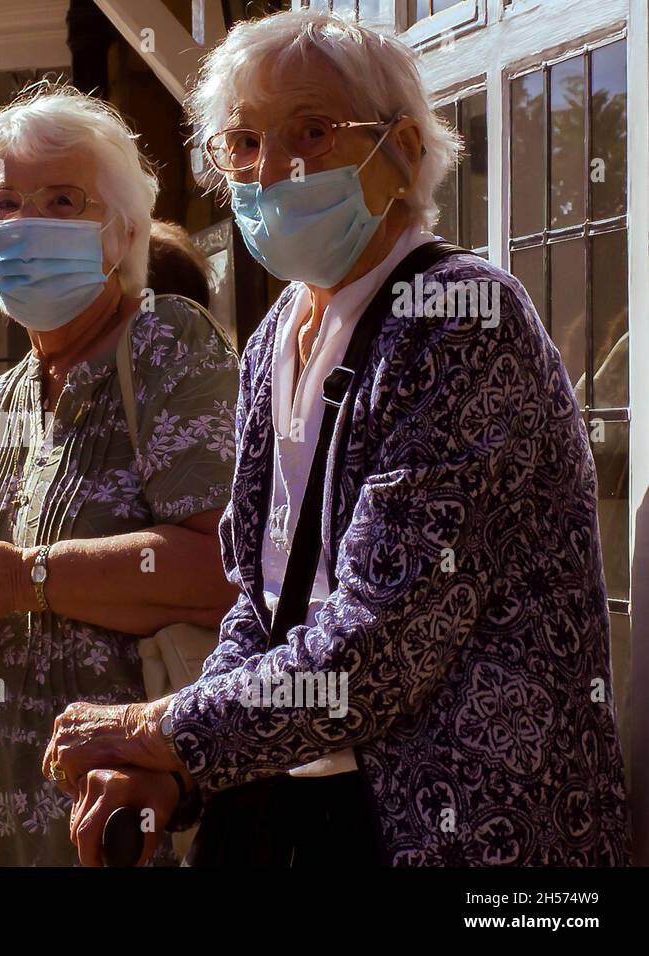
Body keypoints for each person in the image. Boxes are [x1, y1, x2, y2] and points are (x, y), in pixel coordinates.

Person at [42, 9, 630, 867]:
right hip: (292, 801)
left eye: (311, 132)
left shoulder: (461, 320)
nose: (271, 170)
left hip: (459, 832)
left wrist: (163, 727)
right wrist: (185, 773)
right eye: (240, 142)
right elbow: (260, 600)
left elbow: (381, 643)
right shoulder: (283, 326)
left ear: (401, 151)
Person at [0, 84, 240, 867]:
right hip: (3, 817)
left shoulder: (166, 344)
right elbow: (2, 611)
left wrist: (17, 577)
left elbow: (229, 571)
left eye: (63, 199)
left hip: (129, 825)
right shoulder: (9, 392)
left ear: (121, 232)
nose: (25, 221)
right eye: (2, 202)